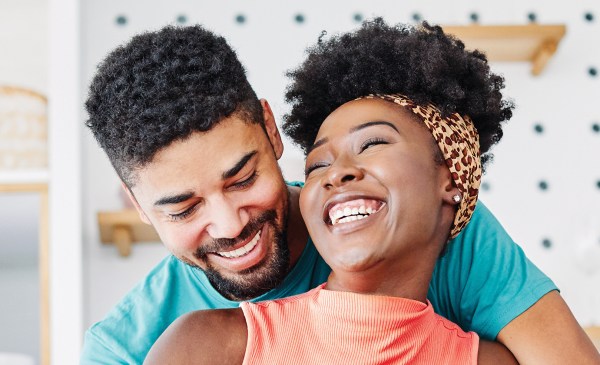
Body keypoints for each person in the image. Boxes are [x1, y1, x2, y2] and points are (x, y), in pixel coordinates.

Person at [81, 22, 599, 365]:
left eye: (242, 179)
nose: (229, 223)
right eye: (184, 208)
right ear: (137, 205)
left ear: (270, 129)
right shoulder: (133, 347)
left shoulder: (437, 229)